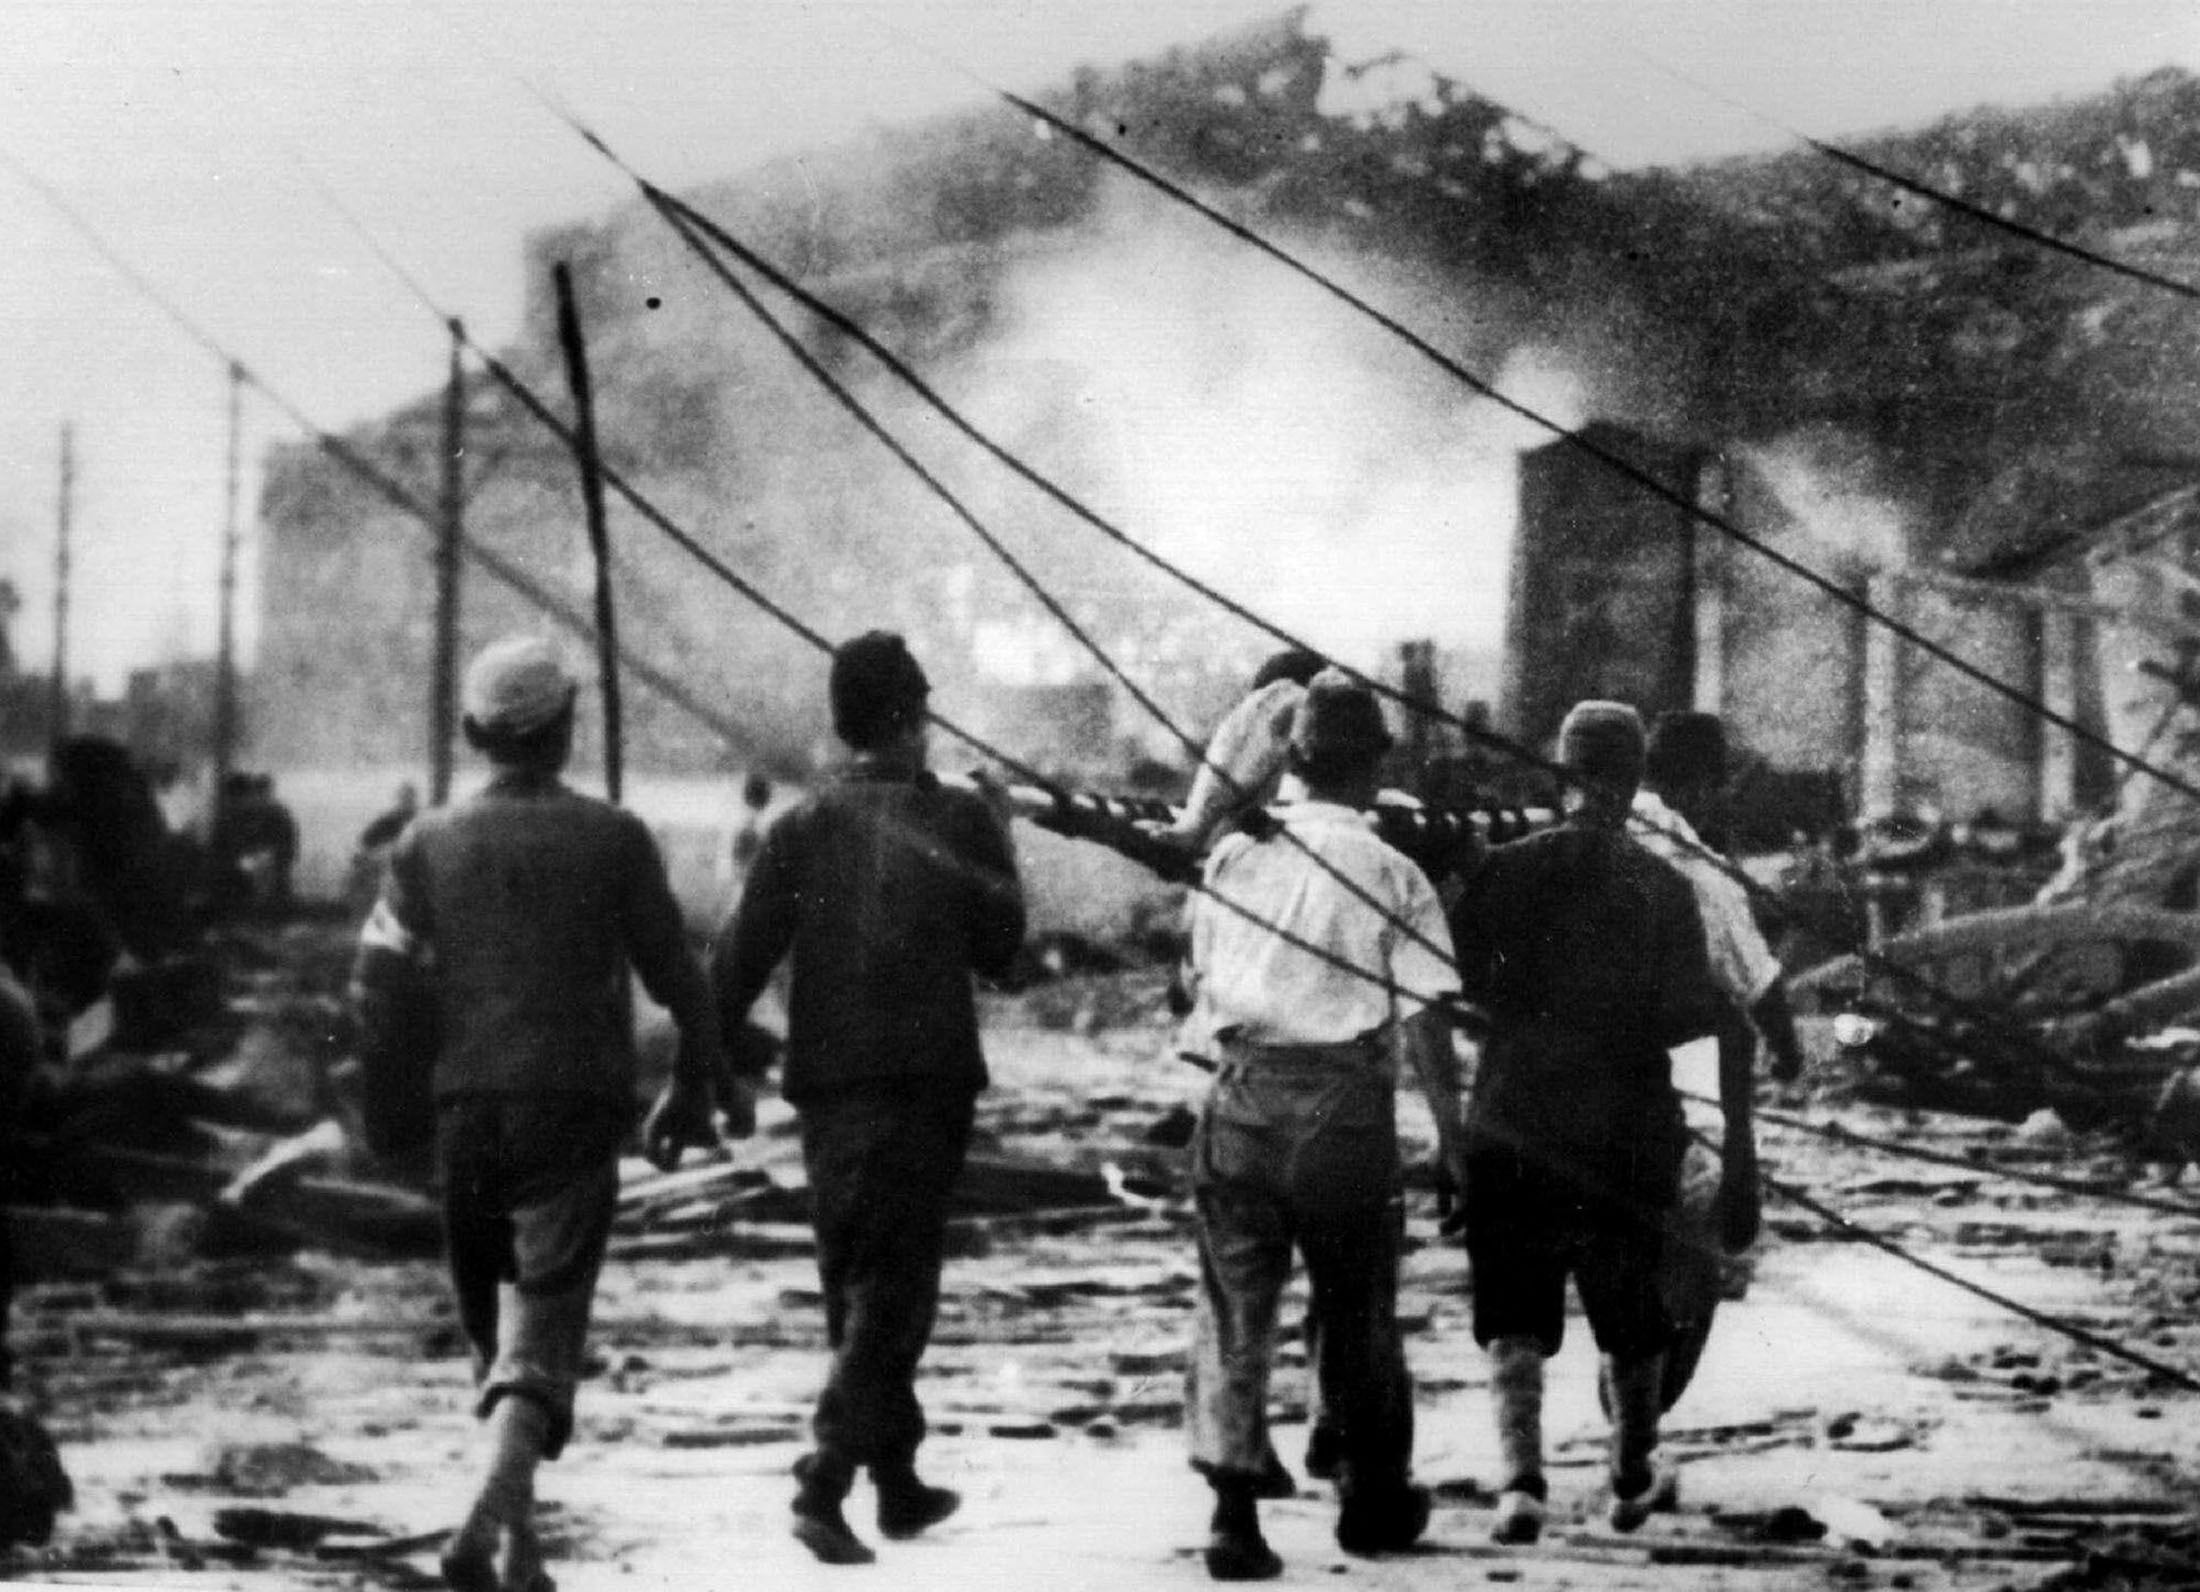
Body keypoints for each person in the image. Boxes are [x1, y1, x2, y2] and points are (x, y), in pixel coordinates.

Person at [353, 634, 736, 1592]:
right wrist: (697, 1087)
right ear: (566, 731)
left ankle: (525, 1551)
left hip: (465, 1111)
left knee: (497, 1336)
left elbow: (380, 988)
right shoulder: (614, 837)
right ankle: (484, 1525)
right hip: (570, 1106)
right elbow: (681, 980)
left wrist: (391, 1120)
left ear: (477, 732)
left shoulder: (424, 842)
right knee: (545, 1329)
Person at [710, 630, 1026, 1567]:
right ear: (918, 718)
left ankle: (895, 1479)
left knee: (857, 1277)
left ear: (844, 726)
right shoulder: (960, 820)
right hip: (922, 1085)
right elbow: (1004, 951)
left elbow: (730, 969)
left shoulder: (798, 830)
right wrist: (1001, 829)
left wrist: (702, 1075)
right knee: (896, 1289)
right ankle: (825, 1477)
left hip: (829, 1090)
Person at [1178, 669, 1467, 1580]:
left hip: (1242, 1097)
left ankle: (1233, 1515)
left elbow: (1196, 987)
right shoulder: (1394, 871)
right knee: (1357, 1307)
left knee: (1235, 1307)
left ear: (1292, 760)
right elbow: (1426, 1023)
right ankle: (1368, 1495)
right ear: (1374, 766)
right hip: (1343, 1109)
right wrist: (1453, 1147)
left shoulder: (1231, 859)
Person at [1448, 700, 1722, 1545]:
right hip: (1625, 1121)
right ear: (1638, 779)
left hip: (1516, 1114)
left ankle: (1521, 1486)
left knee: (1512, 1306)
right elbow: (1687, 1017)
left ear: (1560, 776)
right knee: (1631, 1306)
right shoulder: (1667, 886)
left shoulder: (1502, 871)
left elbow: (1466, 991)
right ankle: (1631, 1473)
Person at [1627, 711, 1787, 1411]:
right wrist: (1789, 1050)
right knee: (1695, 1241)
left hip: (1552, 1081)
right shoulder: (1697, 868)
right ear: (1699, 781)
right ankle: (1639, 1429)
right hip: (1679, 1083)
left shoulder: (1565, 837)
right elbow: (1756, 983)